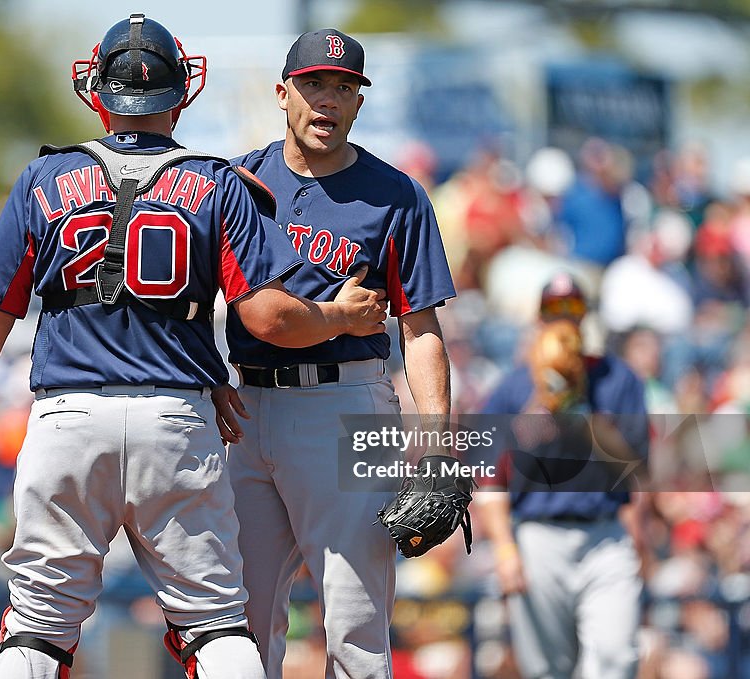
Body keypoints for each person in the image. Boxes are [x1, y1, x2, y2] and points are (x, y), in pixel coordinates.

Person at [0, 15, 388, 679]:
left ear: (97, 92)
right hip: (178, 420)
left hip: (67, 418)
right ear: (181, 92)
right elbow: (271, 318)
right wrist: (338, 315)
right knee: (218, 623)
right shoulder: (219, 182)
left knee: (37, 630)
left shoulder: (44, 179)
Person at [225, 29, 456, 678]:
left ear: (359, 104)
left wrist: (438, 445)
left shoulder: (396, 194)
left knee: (355, 624)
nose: (328, 99)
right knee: (235, 623)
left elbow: (423, 328)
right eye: (314, 84)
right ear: (282, 93)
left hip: (346, 400)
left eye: (344, 87)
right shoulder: (238, 180)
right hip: (245, 406)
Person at [475, 271, 648, 679]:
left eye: (572, 308)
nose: (564, 318)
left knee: (615, 657)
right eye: (555, 309)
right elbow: (491, 479)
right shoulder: (514, 387)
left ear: (585, 314)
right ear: (540, 317)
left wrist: (578, 411)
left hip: (604, 536)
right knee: (546, 669)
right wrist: (503, 548)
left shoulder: (617, 379)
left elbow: (635, 466)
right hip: (537, 537)